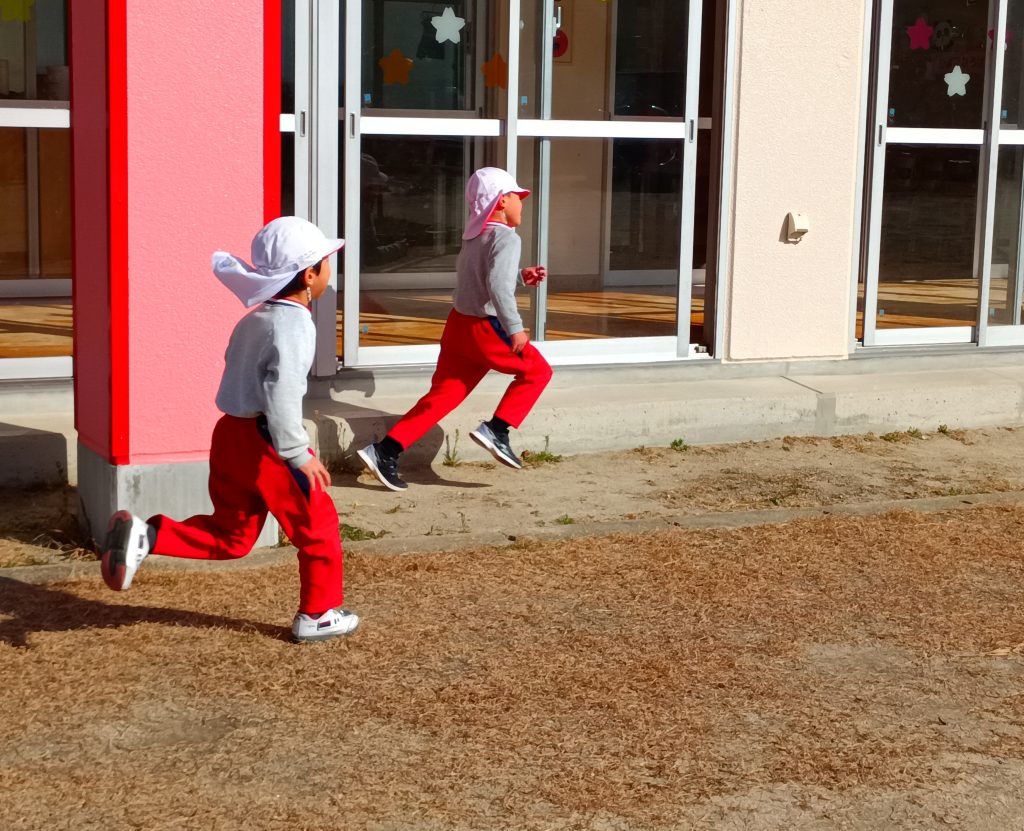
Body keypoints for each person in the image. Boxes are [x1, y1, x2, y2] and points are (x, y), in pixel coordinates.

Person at [98, 217, 359, 644]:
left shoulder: (254, 320)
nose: (330, 269)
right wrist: (298, 454)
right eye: (326, 262)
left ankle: (146, 535)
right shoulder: (296, 324)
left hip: (230, 435)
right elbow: (282, 391)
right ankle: (318, 614)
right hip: (267, 443)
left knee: (233, 536)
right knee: (319, 526)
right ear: (309, 275)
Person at [358, 167, 552, 491]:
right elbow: (497, 286)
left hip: (459, 325)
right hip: (486, 328)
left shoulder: (474, 236)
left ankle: (384, 451)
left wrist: (519, 276)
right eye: (518, 197)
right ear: (502, 201)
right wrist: (515, 328)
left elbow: (482, 279)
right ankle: (498, 430)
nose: (522, 203)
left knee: (443, 396)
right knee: (538, 372)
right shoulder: (507, 237)